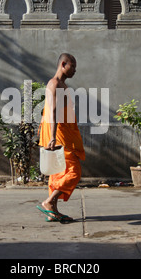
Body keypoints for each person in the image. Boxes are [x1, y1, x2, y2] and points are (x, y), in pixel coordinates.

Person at [37, 53, 85, 223]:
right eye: (73, 66)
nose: (75, 70)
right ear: (63, 64)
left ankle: (52, 211)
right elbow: (53, 112)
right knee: (74, 172)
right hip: (58, 135)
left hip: (63, 132)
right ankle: (48, 202)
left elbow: (47, 110)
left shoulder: (61, 84)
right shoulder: (54, 84)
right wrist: (51, 137)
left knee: (57, 174)